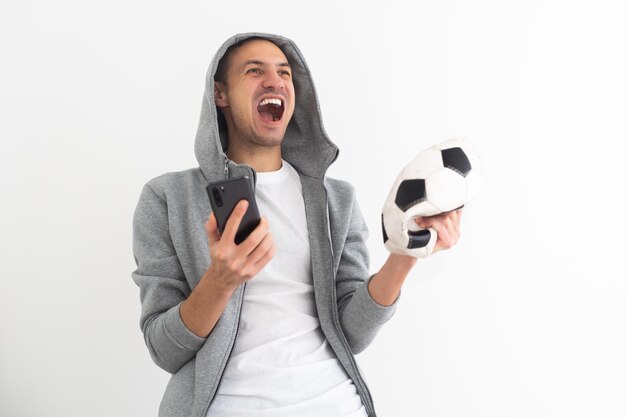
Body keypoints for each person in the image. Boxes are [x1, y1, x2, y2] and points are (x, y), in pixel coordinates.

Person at [132, 33, 462, 417]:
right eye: (254, 71)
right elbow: (164, 349)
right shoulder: (168, 198)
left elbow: (352, 333)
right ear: (219, 94)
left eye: (284, 73)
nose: (275, 81)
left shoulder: (335, 200)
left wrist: (405, 254)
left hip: (336, 404)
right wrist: (220, 281)